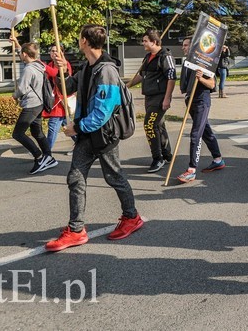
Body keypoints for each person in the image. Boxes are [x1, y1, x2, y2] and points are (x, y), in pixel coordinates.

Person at [45, 24, 143, 252]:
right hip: (87, 136)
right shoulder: (87, 67)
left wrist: (77, 127)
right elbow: (65, 88)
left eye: (79, 37)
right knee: (75, 178)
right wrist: (61, 70)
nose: (78, 40)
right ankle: (76, 230)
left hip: (104, 135)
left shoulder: (107, 71)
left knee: (114, 177)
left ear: (84, 42)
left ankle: (132, 217)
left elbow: (103, 112)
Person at [176, 36, 226, 183]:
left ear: (193, 48)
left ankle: (191, 170)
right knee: (206, 131)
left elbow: (211, 84)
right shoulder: (186, 62)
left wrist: (201, 78)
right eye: (183, 45)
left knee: (195, 134)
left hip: (201, 102)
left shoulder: (203, 63)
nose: (183, 47)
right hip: (190, 100)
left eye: (186, 45)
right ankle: (218, 160)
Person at [126, 30, 176, 173]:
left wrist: (167, 98)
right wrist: (127, 85)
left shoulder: (165, 56)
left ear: (154, 42)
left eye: (145, 41)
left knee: (149, 125)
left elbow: (171, 79)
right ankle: (167, 154)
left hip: (160, 97)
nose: (143, 43)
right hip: (149, 97)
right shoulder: (148, 57)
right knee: (158, 125)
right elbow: (142, 76)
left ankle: (157, 158)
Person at [9, 37, 58, 175]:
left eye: (21, 53)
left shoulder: (29, 69)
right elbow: (25, 54)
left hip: (31, 105)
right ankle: (49, 157)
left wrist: (14, 95)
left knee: (18, 133)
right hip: (39, 103)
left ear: (25, 54)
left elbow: (22, 89)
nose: (19, 55)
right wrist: (17, 45)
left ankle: (39, 157)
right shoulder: (38, 65)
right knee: (37, 132)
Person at [43, 44, 73, 151]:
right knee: (69, 127)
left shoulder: (64, 64)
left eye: (57, 51)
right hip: (54, 101)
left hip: (60, 102)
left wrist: (42, 65)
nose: (54, 53)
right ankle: (83, 147)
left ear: (62, 53)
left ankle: (46, 153)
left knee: (52, 126)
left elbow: (56, 74)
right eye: (52, 51)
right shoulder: (50, 64)